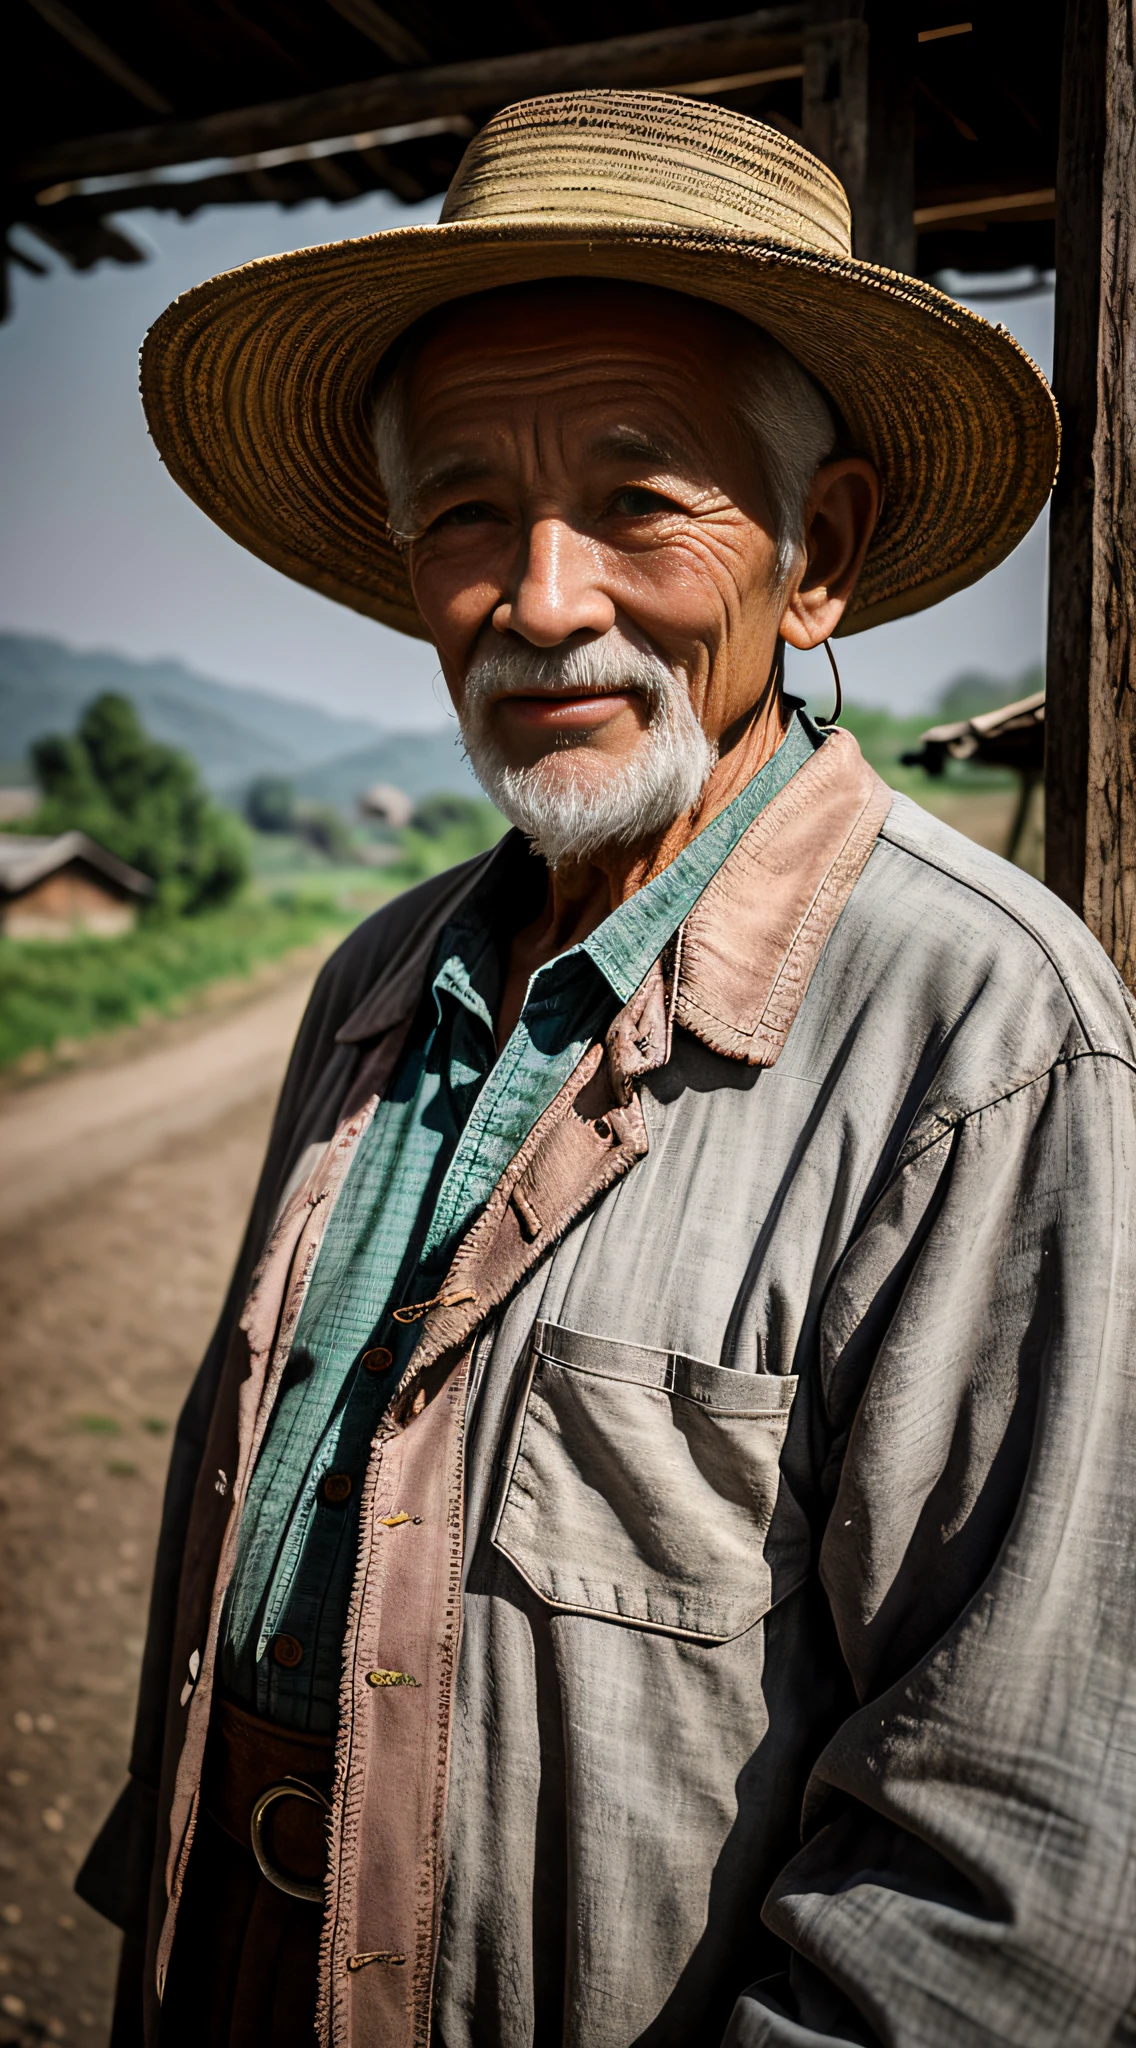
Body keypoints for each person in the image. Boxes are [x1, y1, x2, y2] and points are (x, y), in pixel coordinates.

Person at [79, 90, 1136, 2048]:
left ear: (815, 556)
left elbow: (1006, 1858)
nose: (538, 596)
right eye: (465, 505)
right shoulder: (375, 979)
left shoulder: (978, 1035)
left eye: (639, 501)